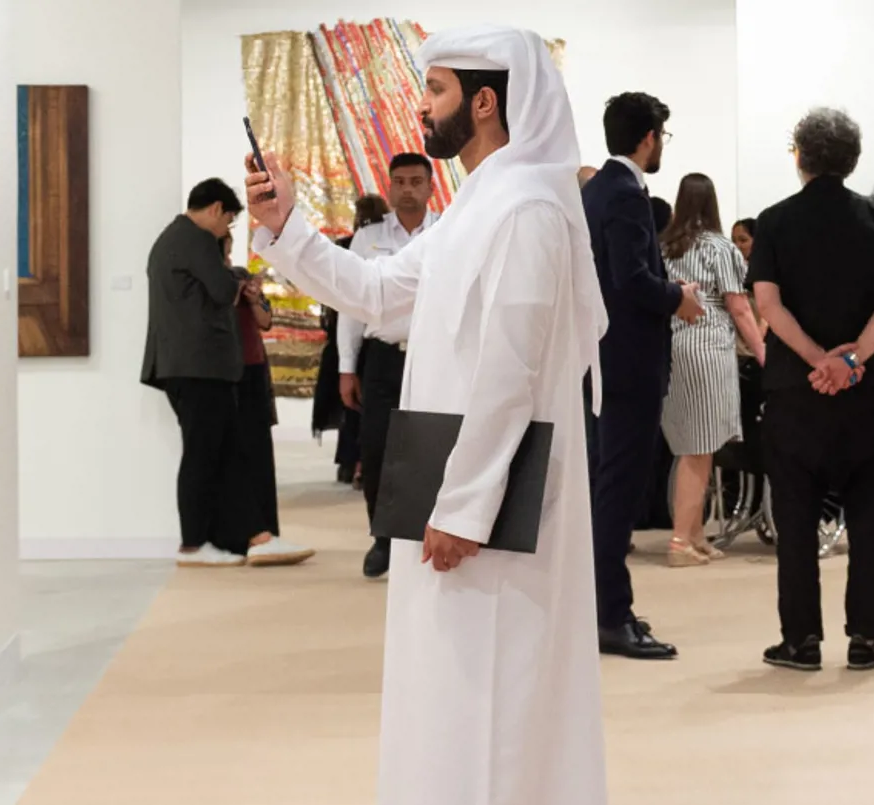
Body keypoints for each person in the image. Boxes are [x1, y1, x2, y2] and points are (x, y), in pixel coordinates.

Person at [246, 25, 609, 805]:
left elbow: (511, 372)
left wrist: (464, 508)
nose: (421, 106)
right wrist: (286, 226)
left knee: (497, 690)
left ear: (484, 103)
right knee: (450, 686)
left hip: (490, 503)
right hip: (452, 488)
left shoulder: (527, 211)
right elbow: (378, 294)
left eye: (436, 90)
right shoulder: (474, 208)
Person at [750, 107, 874, 671]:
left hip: (795, 389)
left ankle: (801, 640)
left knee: (795, 519)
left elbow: (768, 304)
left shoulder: (774, 221)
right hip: (866, 391)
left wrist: (818, 359)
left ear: (800, 156)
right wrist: (853, 359)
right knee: (868, 516)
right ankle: (865, 637)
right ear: (852, 158)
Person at [582, 91, 702, 660]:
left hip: (602, 359)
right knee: (619, 491)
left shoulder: (595, 191)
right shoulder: (627, 195)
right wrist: (678, 296)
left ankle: (601, 606)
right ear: (649, 138)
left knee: (606, 486)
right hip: (629, 363)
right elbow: (630, 281)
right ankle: (611, 615)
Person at [140, 178, 314, 568]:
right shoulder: (198, 238)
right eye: (229, 222)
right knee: (205, 455)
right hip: (199, 366)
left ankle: (256, 536)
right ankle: (194, 543)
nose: (225, 231)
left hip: (185, 365)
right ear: (217, 209)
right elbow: (221, 290)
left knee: (223, 452)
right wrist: (238, 282)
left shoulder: (169, 240)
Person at [337, 154, 441, 579]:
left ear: (431, 186)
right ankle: (382, 538)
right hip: (382, 358)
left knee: (430, 446)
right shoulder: (368, 239)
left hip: (433, 355)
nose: (408, 189)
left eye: (416, 181)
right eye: (399, 181)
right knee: (377, 448)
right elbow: (350, 304)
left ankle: (424, 535)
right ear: (390, 186)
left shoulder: (449, 232)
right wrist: (347, 367)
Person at [659, 173, 766, 566]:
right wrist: (761, 350)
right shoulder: (719, 247)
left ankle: (694, 534)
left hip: (672, 344)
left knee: (690, 444)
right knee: (700, 448)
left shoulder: (666, 247)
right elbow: (739, 307)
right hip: (707, 346)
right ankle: (679, 542)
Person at [314, 195, 389, 485]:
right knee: (358, 405)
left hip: (364, 338)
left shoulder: (351, 246)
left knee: (361, 406)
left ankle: (356, 462)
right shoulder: (348, 246)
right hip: (356, 334)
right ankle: (356, 462)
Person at [222, 233, 282, 537]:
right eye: (224, 253)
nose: (228, 260)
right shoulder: (206, 282)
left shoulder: (239, 275)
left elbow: (265, 321)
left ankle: (266, 527)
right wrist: (232, 293)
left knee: (259, 451)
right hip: (223, 372)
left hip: (252, 369)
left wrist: (254, 297)